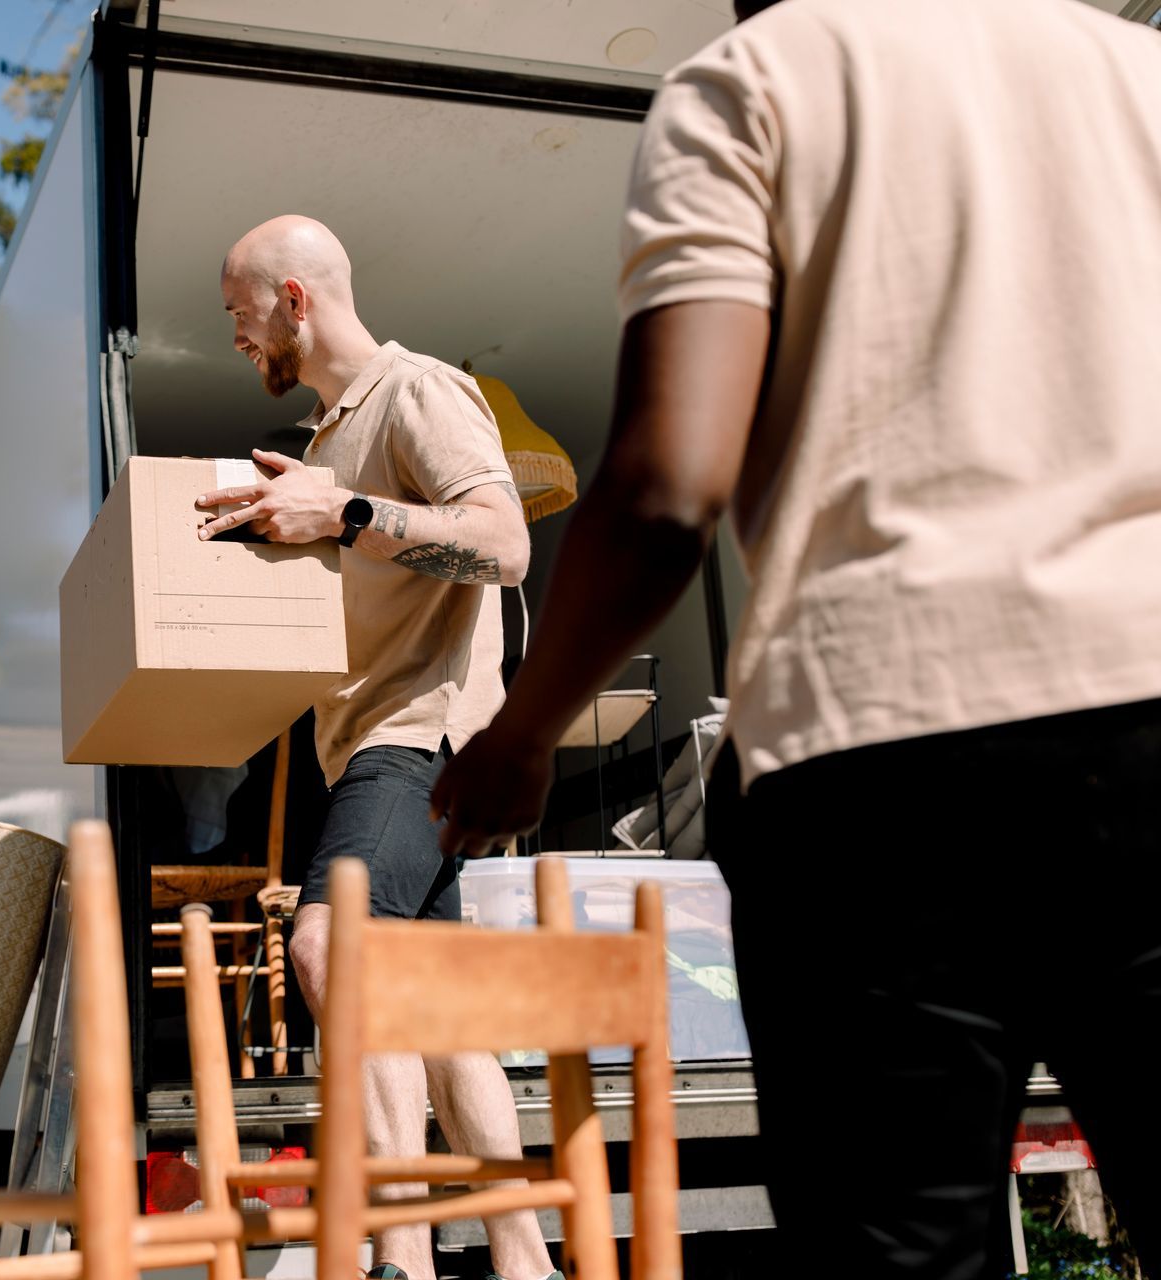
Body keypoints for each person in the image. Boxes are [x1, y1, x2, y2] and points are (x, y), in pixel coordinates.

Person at [429, 0, 1161, 1275]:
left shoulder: (752, 84)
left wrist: (520, 735)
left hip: (880, 757)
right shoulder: (1137, 68)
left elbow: (666, 493)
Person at [199, 215, 560, 1280]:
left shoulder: (420, 392)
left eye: (241, 314)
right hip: (361, 745)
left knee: (327, 945)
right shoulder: (316, 445)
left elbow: (505, 543)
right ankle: (527, 1260)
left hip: (425, 732)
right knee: (439, 1016)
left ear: (296, 301)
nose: (235, 337)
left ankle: (397, 1254)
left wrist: (348, 510)